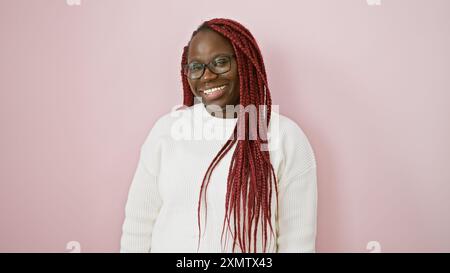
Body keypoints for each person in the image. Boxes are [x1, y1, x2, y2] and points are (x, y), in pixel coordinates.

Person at [120, 18, 317, 253]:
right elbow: (138, 225)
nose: (207, 76)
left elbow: (297, 242)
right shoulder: (167, 131)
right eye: (196, 67)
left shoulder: (285, 137)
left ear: (244, 62)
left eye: (220, 62)